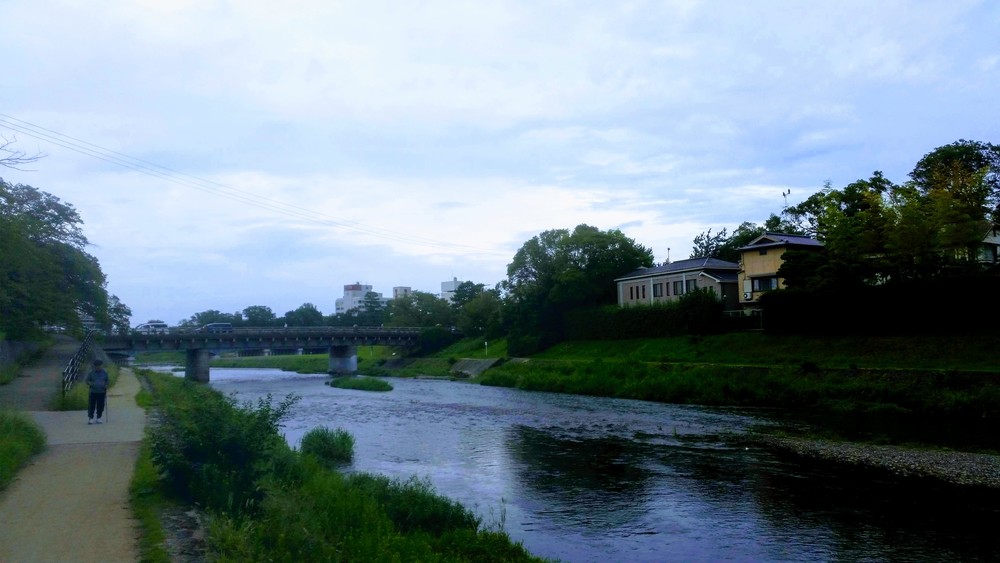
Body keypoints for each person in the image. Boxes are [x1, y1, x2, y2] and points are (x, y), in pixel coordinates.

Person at [86, 359, 109, 424]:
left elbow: (107, 380)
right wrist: (90, 384)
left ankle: (99, 417)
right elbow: (87, 381)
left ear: (101, 366)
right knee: (91, 405)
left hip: (102, 392)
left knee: (101, 405)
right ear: (95, 366)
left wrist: (106, 385)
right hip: (93, 392)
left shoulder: (105, 373)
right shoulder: (91, 373)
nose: (98, 367)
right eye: (97, 366)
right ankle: (91, 418)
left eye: (99, 366)